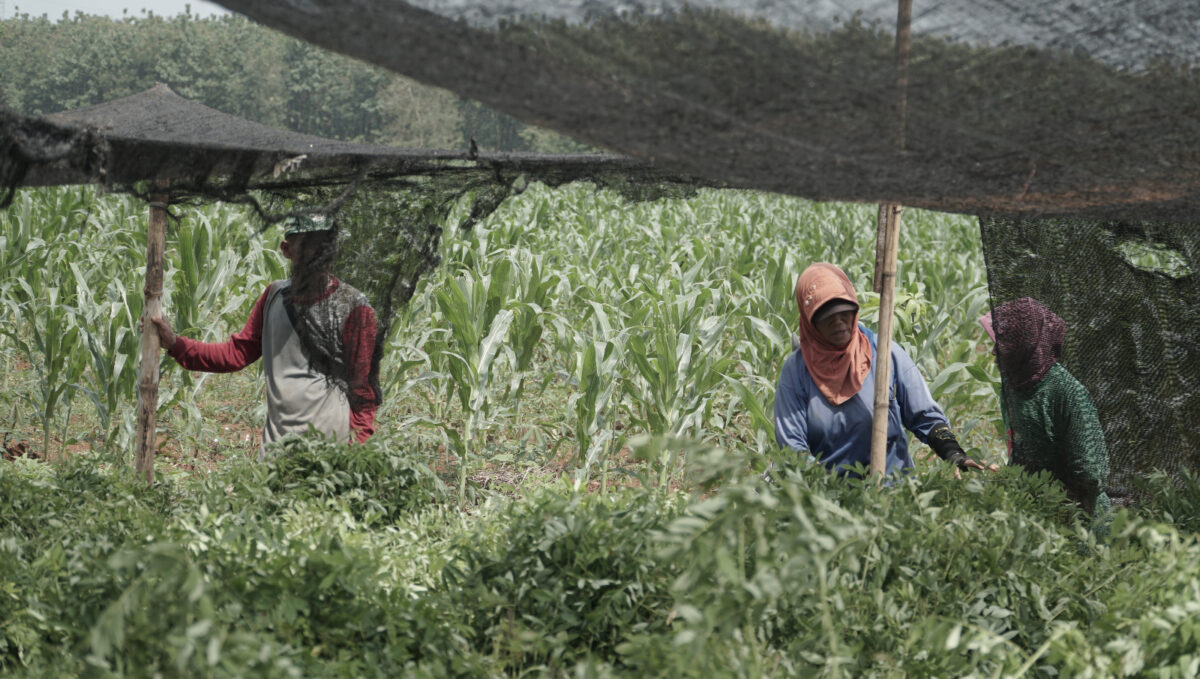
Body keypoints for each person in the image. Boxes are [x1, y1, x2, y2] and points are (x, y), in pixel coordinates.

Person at [149, 214, 382, 452]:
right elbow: (236, 353)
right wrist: (175, 344)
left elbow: (363, 388)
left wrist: (357, 451)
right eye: (308, 244)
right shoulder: (274, 297)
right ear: (286, 249)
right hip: (277, 447)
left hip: (332, 449)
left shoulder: (353, 306)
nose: (318, 253)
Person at [774, 262, 986, 477]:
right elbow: (792, 447)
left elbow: (926, 417)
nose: (838, 322)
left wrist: (954, 454)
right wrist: (827, 489)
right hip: (830, 493)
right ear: (811, 323)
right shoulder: (796, 372)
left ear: (854, 310)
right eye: (827, 316)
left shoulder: (885, 354)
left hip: (894, 487)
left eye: (844, 312)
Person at [980, 297, 1110, 519]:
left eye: (1002, 344)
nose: (994, 352)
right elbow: (1021, 448)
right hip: (1033, 510)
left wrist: (1052, 499)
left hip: (1079, 519)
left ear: (1024, 348)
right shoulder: (1013, 386)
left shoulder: (1067, 393)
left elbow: (1090, 474)